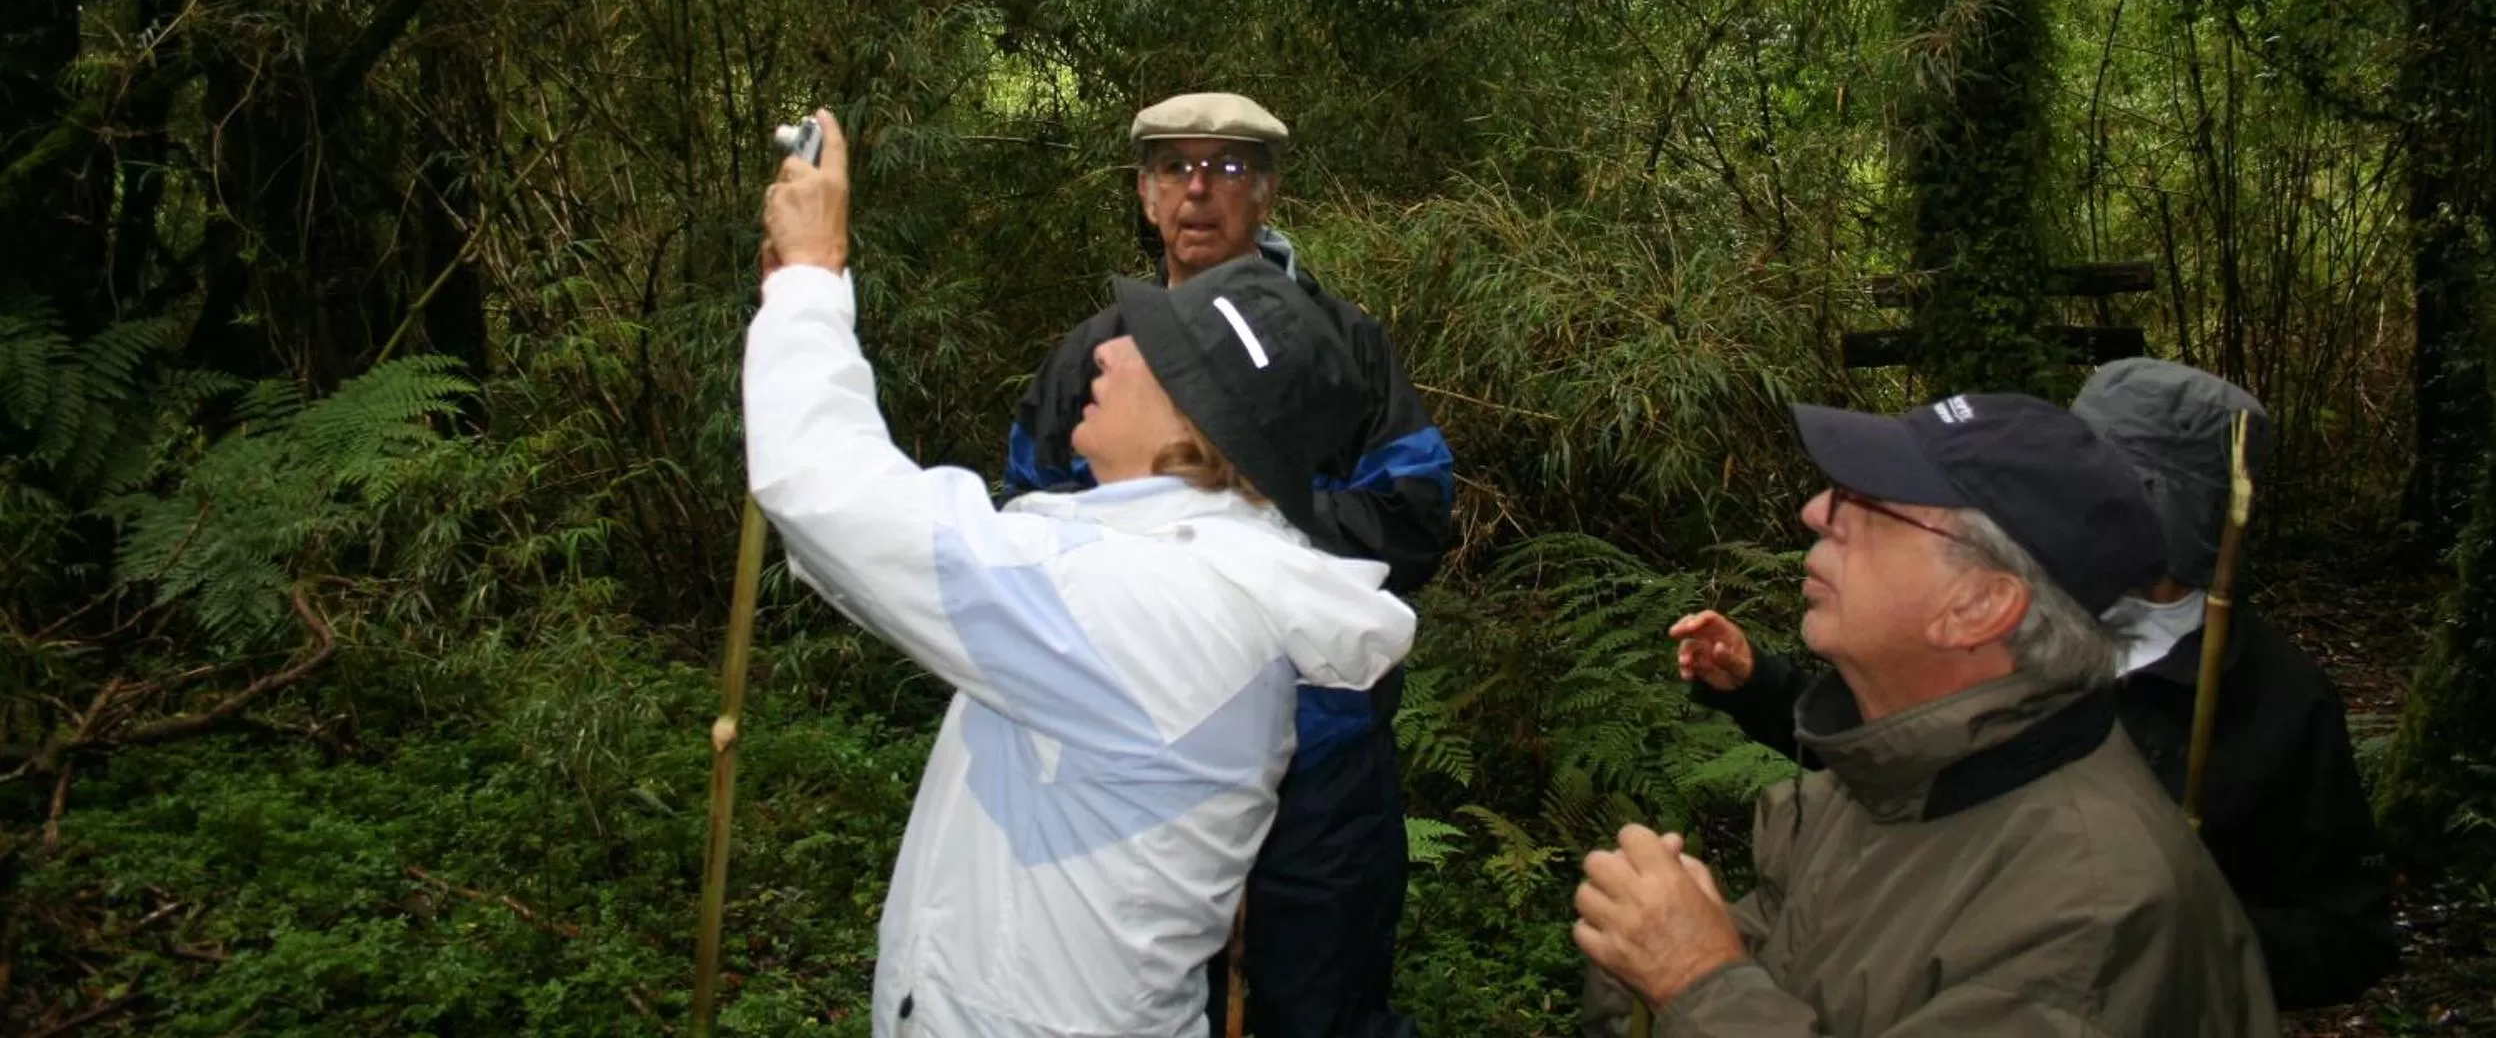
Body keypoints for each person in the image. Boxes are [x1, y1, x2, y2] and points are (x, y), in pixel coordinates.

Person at [747, 111, 1417, 1038]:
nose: (1105, 350)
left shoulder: (1160, 609)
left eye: (1147, 348)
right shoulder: (1189, 573)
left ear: (1201, 429)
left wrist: (814, 285)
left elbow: (830, 496)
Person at [1673, 361, 2397, 1010]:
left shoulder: (2275, 697)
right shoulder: (2025, 635)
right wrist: (1759, 688)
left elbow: (2347, 929)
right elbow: (1908, 763)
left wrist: (2178, 932)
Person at [1577, 393, 2277, 1036]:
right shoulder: (1894, 783)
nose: (1817, 511)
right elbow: (1812, 980)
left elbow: (1727, 992)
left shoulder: (2090, 924)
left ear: (1977, 605)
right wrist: (1656, 952)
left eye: (1868, 501)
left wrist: (1698, 984)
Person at [1007, 92, 1453, 1038]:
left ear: (1268, 193)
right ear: (1144, 193)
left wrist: (1245, 512)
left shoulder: (1341, 346)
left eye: (1229, 168)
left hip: (1320, 751)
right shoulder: (1093, 354)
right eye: (1176, 167)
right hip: (1134, 752)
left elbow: (1414, 512)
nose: (1199, 190)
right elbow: (1027, 518)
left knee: (1321, 1002)